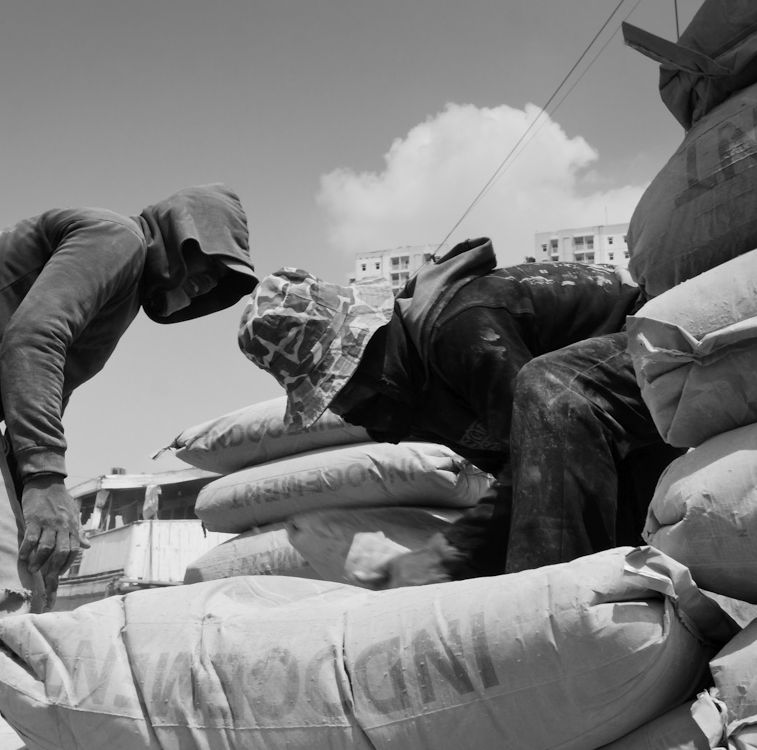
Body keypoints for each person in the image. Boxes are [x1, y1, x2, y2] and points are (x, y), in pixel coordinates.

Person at [0, 183, 256, 715]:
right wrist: (44, 478)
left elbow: (42, 379)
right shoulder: (119, 241)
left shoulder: (117, 274)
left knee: (26, 596)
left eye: (208, 291)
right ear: (182, 238)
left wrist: (30, 500)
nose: (195, 294)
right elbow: (35, 337)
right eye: (199, 275)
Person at [237, 236, 677, 588]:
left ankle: (553, 622)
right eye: (333, 397)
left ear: (372, 346)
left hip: (658, 358)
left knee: (548, 399)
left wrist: (444, 555)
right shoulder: (416, 387)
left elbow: (536, 469)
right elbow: (516, 474)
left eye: (345, 386)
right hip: (616, 433)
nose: (349, 411)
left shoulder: (462, 329)